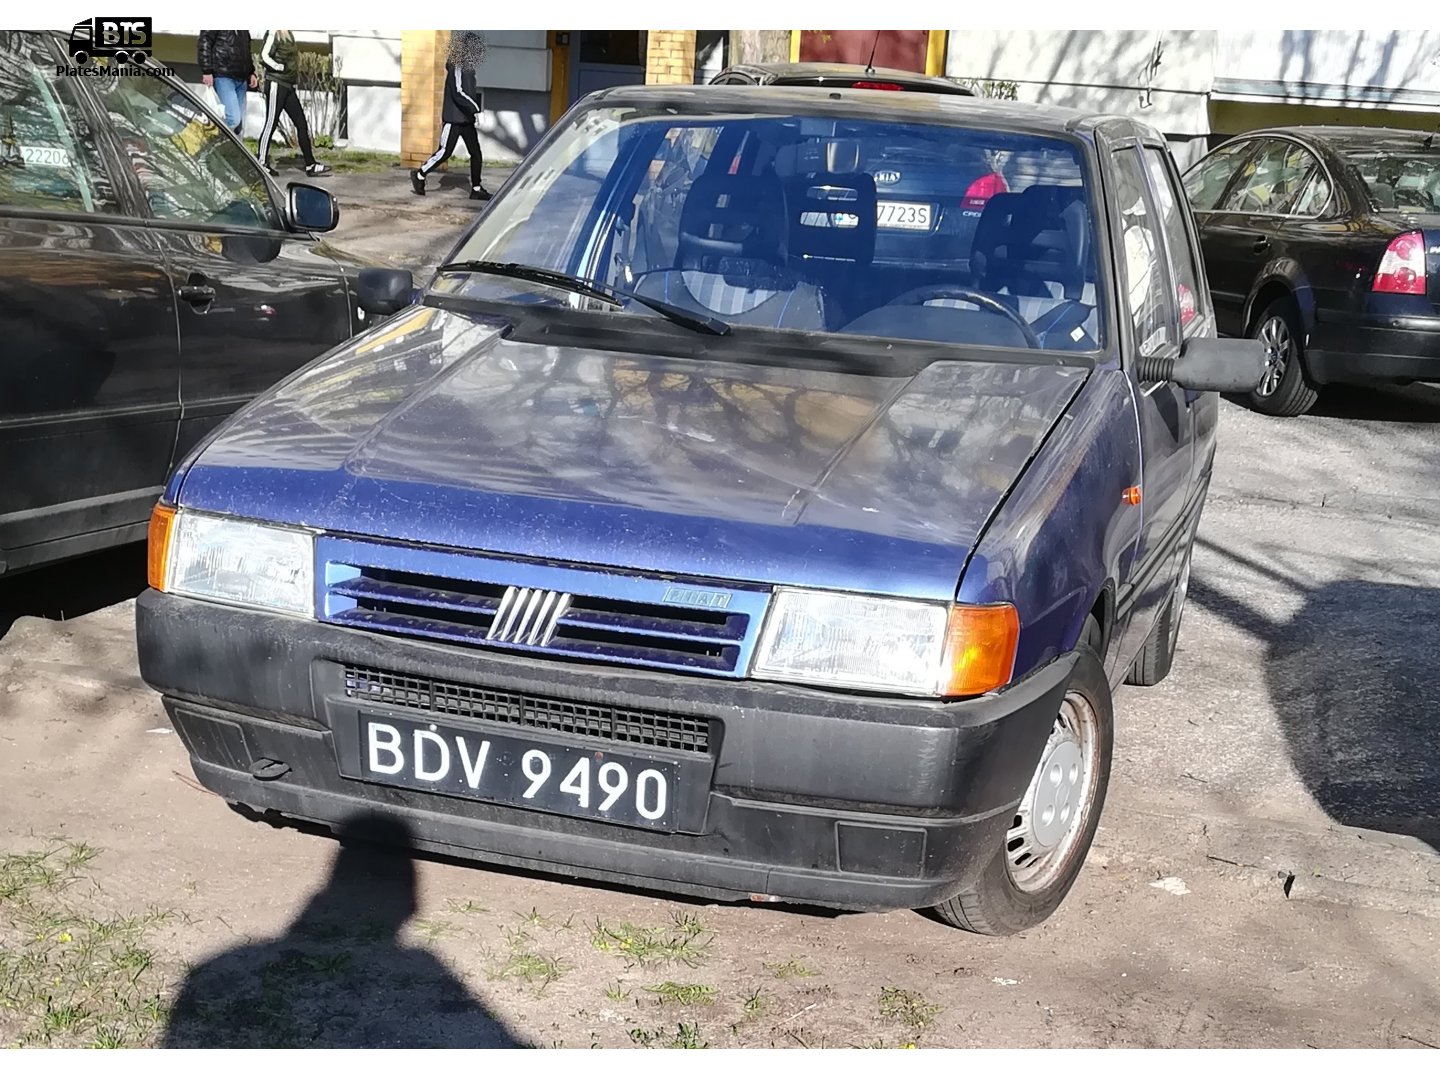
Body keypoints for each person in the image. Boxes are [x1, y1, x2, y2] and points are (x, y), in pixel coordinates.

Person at [410, 31, 492, 200]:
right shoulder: (456, 66)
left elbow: (468, 92)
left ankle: (476, 188)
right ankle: (419, 174)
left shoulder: (468, 67)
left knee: (476, 153)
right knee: (444, 152)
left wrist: (472, 112)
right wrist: (475, 108)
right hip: (454, 119)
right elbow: (458, 93)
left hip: (466, 119)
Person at [255, 30, 330, 177]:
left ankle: (311, 165)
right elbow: (263, 56)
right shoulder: (273, 32)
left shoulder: (288, 34)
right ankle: (261, 163)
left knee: (301, 123)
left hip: (288, 86)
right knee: (271, 123)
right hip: (276, 84)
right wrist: (278, 67)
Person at [197, 30, 256, 135]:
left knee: (238, 126)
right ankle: (210, 139)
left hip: (241, 78)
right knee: (233, 119)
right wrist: (207, 70)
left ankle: (227, 148)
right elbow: (204, 41)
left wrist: (251, 72)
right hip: (223, 75)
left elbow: (246, 50)